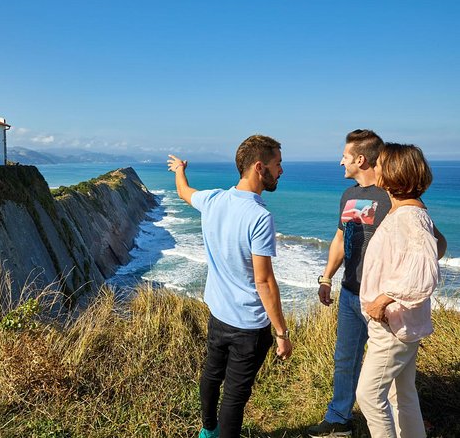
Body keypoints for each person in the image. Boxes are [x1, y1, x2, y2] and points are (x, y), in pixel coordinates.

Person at [308, 131, 447, 437]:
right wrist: (327, 277)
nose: (341, 160)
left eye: (345, 155)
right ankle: (339, 418)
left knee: (371, 394)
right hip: (356, 296)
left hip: (387, 313)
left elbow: (429, 258)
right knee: (396, 388)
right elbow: (341, 237)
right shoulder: (358, 198)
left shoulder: (406, 209)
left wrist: (386, 296)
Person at [168, 134, 292, 438]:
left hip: (218, 314)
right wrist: (281, 333)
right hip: (248, 325)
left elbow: (184, 192)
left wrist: (179, 170)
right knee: (235, 396)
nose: (281, 171)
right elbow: (264, 281)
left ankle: (207, 430)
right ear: (259, 168)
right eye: (278, 164)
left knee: (211, 374)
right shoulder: (260, 216)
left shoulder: (213, 199)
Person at [356, 143, 442, 437]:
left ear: (394, 172)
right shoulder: (409, 213)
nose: (374, 167)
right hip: (399, 323)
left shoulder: (409, 217)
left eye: (379, 164)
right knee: (400, 394)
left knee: (368, 395)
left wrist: (383, 299)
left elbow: (424, 271)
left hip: (393, 324)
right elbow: (437, 247)